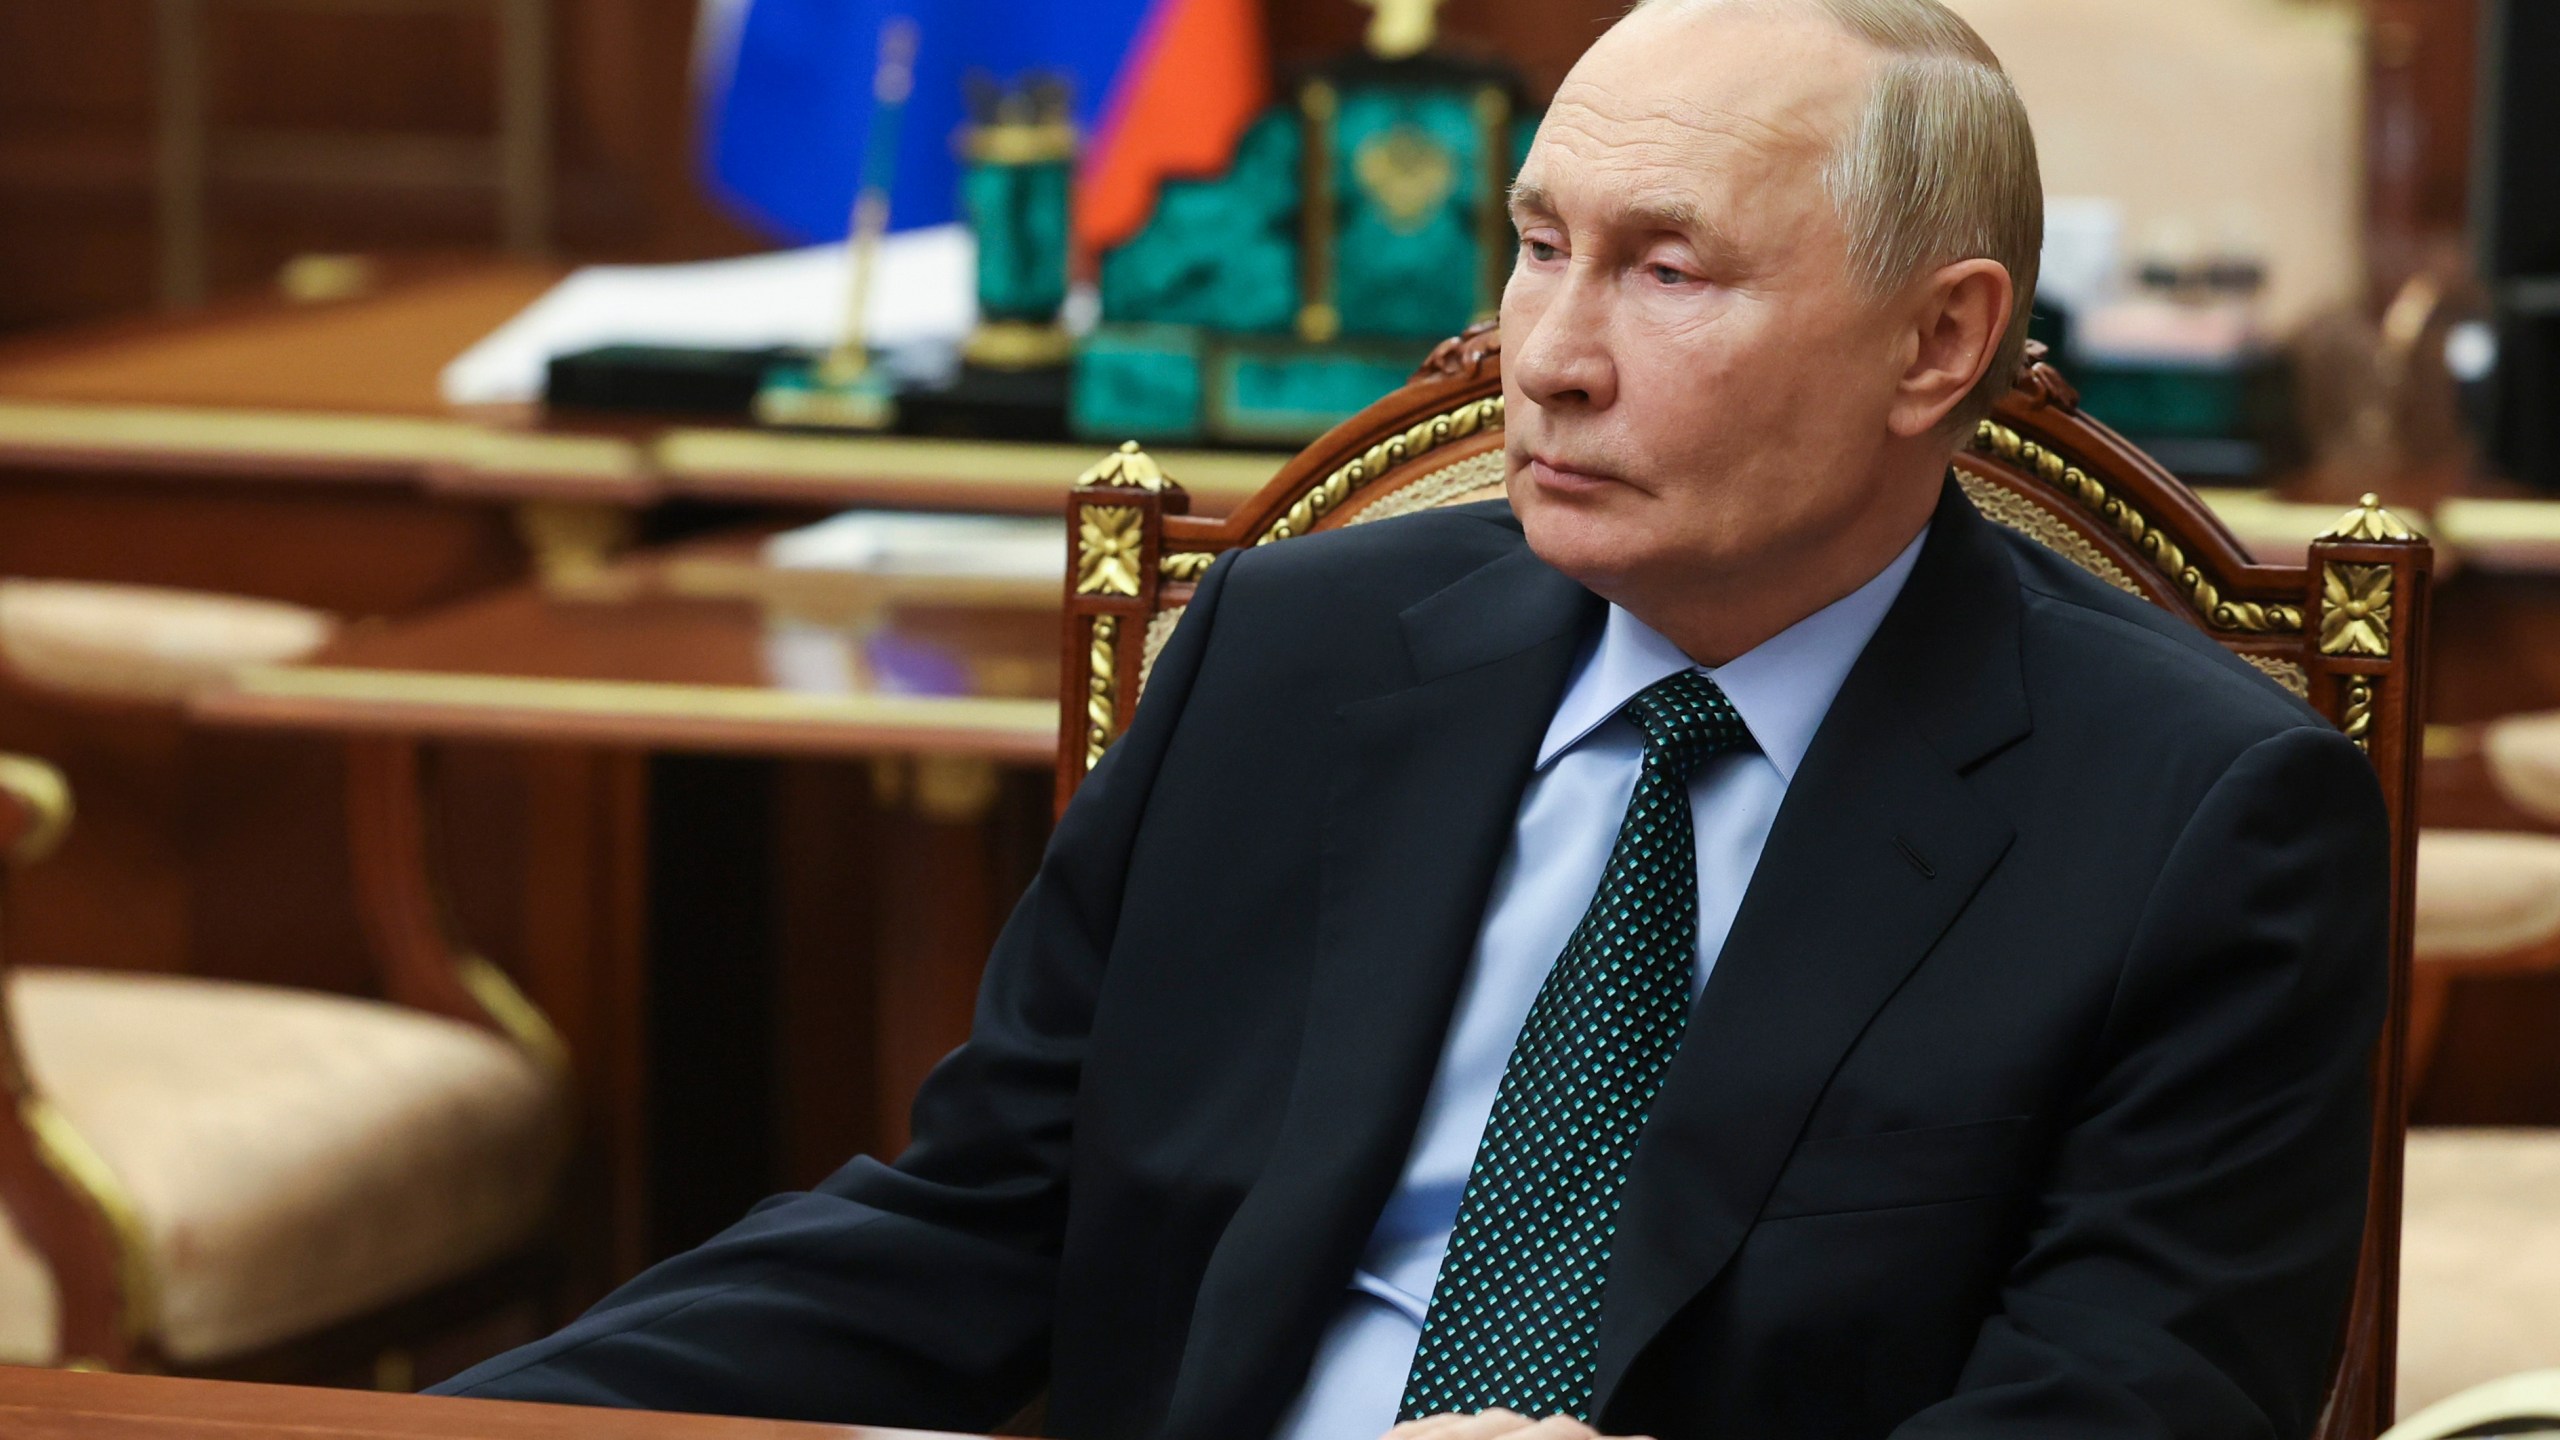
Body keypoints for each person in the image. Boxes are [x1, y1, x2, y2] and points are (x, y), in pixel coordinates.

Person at [433, 1, 2388, 1436]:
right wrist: (469, 1428)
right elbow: (982, 1219)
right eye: (1538, 246)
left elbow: (2126, 1414)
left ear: (1937, 341)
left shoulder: (2193, 818)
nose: (1544, 358)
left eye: (1666, 271)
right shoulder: (1292, 657)